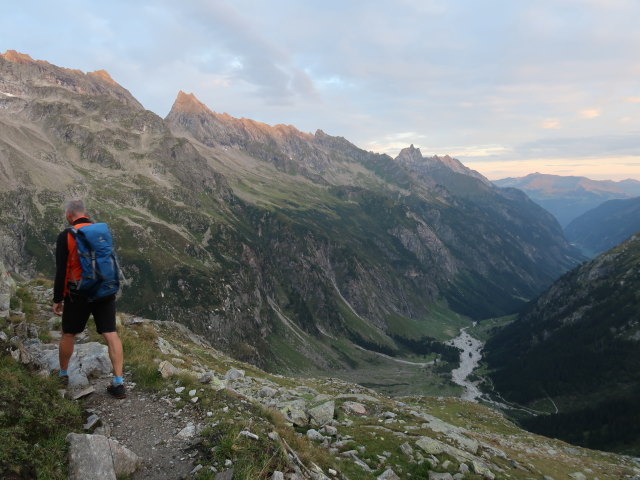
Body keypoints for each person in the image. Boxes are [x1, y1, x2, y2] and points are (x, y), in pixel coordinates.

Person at [52, 199, 126, 399]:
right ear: (85, 213)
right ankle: (119, 382)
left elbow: (61, 270)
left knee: (68, 334)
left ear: (69, 215)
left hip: (79, 293)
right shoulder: (100, 231)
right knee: (111, 333)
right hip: (105, 290)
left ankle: (63, 374)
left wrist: (57, 298)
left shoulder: (66, 235)